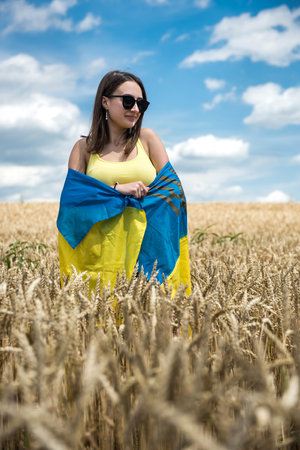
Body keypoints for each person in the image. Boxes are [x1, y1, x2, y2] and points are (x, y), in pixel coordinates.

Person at [57, 70, 191, 295]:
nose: (136, 109)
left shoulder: (147, 139)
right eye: (128, 101)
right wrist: (117, 191)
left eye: (142, 103)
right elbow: (72, 205)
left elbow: (173, 192)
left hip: (150, 256)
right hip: (102, 258)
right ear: (105, 102)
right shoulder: (83, 148)